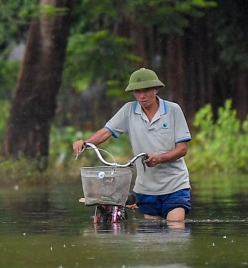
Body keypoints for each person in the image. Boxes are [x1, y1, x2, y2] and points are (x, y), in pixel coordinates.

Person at [73, 68, 192, 223]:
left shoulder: (173, 110)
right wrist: (85, 143)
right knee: (151, 236)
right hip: (146, 188)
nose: (141, 96)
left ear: (156, 89)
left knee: (176, 229)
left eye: (146, 90)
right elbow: (106, 132)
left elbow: (182, 149)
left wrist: (160, 158)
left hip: (175, 184)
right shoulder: (129, 111)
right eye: (137, 92)